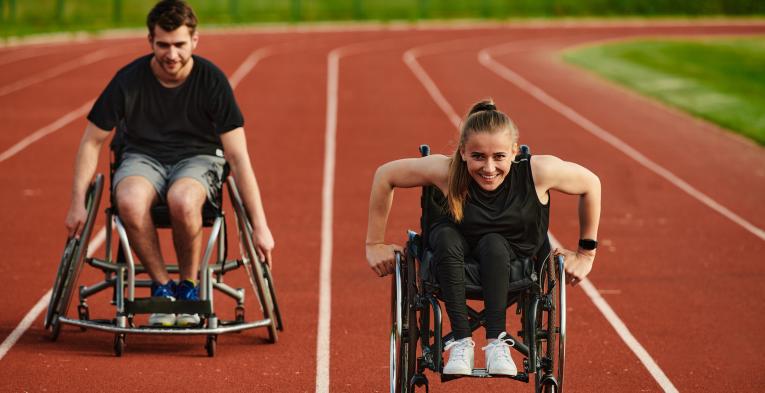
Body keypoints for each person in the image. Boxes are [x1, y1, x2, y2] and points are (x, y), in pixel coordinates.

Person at [64, 0, 274, 328]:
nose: (171, 54)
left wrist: (259, 225)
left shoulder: (212, 81)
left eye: (179, 44)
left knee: (183, 199)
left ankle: (189, 289)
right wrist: (77, 203)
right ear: (150, 41)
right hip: (142, 157)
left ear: (194, 41)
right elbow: (92, 140)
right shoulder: (128, 80)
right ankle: (164, 289)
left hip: (198, 159)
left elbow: (237, 156)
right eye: (163, 45)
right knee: (130, 200)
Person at [365, 100, 601, 376]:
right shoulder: (446, 170)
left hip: (511, 259)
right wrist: (374, 244)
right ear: (463, 152)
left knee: (494, 243)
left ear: (514, 152)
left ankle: (496, 341)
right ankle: (461, 342)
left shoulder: (538, 172)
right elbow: (385, 175)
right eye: (478, 156)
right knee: (446, 236)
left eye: (499, 157)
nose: (489, 168)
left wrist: (586, 253)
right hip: (450, 254)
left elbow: (591, 184)